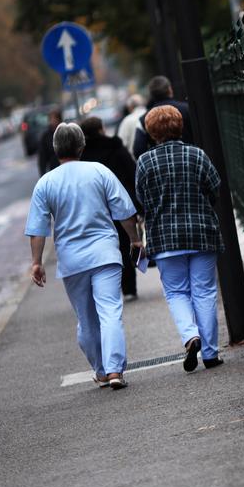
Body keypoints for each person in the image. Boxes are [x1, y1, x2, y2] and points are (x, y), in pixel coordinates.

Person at [26, 122, 141, 390]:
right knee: (110, 311)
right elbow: (124, 211)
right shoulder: (99, 171)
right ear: (82, 146)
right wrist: (135, 240)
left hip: (72, 260)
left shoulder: (46, 183)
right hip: (105, 254)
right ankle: (114, 370)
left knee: (86, 319)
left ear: (55, 150)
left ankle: (100, 370)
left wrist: (36, 262)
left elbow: (38, 228)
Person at [135, 105, 225, 372]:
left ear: (151, 132)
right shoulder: (197, 155)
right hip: (201, 233)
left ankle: (190, 336)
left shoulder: (144, 162)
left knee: (176, 292)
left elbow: (141, 199)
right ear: (180, 126)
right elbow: (215, 187)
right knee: (205, 292)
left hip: (164, 238)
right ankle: (210, 353)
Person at [78, 116, 142, 301]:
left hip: (95, 208)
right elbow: (132, 172)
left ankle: (108, 290)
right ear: (101, 129)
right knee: (125, 244)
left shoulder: (83, 154)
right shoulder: (115, 147)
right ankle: (129, 289)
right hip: (120, 204)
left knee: (101, 247)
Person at [132, 76, 193, 159]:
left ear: (152, 94)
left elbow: (138, 149)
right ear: (170, 89)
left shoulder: (144, 119)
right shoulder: (187, 109)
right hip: (189, 157)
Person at [37, 107, 63, 175]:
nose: (53, 121)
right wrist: (43, 173)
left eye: (55, 118)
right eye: (51, 119)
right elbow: (42, 157)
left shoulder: (65, 131)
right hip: (54, 170)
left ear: (59, 119)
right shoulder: (45, 136)